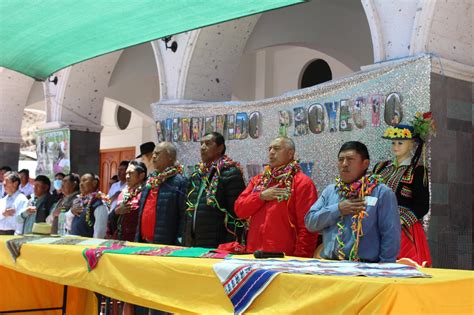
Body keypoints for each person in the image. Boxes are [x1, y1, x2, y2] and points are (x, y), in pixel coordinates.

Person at [305, 141, 400, 263]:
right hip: (330, 264)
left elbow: (390, 235)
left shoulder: (381, 193)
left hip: (366, 268)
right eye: (341, 160)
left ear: (365, 164)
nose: (344, 164)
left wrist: (385, 268)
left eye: (350, 159)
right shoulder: (331, 191)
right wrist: (338, 209)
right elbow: (310, 223)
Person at [235, 137, 318, 257]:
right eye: (270, 149)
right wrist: (260, 197)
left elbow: (307, 227)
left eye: (277, 148)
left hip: (283, 258)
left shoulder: (302, 182)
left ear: (290, 153)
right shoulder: (258, 180)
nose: (271, 152)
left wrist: (300, 259)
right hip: (253, 254)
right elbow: (239, 210)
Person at [373, 112, 435, 266]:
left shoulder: (417, 171)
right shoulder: (381, 167)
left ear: (412, 144)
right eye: (393, 143)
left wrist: (399, 221)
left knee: (403, 265)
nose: (395, 146)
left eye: (400, 143)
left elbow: (422, 206)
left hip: (403, 229)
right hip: (376, 224)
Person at [185, 132, 246, 248]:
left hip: (218, 244)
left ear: (220, 148)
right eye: (201, 144)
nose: (202, 147)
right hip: (194, 242)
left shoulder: (230, 173)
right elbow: (188, 212)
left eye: (208, 144)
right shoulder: (196, 174)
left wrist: (229, 244)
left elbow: (236, 215)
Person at [135, 143, 187, 245]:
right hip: (142, 241)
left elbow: (184, 217)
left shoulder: (180, 182)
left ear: (170, 156)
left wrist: (178, 241)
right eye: (153, 153)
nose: (153, 157)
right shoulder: (150, 180)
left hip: (165, 244)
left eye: (158, 154)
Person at [107, 161, 147, 241]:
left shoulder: (147, 193)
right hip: (119, 239)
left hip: (136, 242)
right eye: (126, 173)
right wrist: (116, 212)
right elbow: (112, 217)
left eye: (131, 173)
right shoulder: (123, 193)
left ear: (141, 175)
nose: (127, 177)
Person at [70, 173, 109, 238]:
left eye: (84, 180)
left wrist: (94, 246)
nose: (81, 184)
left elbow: (100, 231)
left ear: (94, 183)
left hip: (87, 246)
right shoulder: (79, 201)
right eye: (80, 181)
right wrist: (71, 212)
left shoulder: (99, 203)